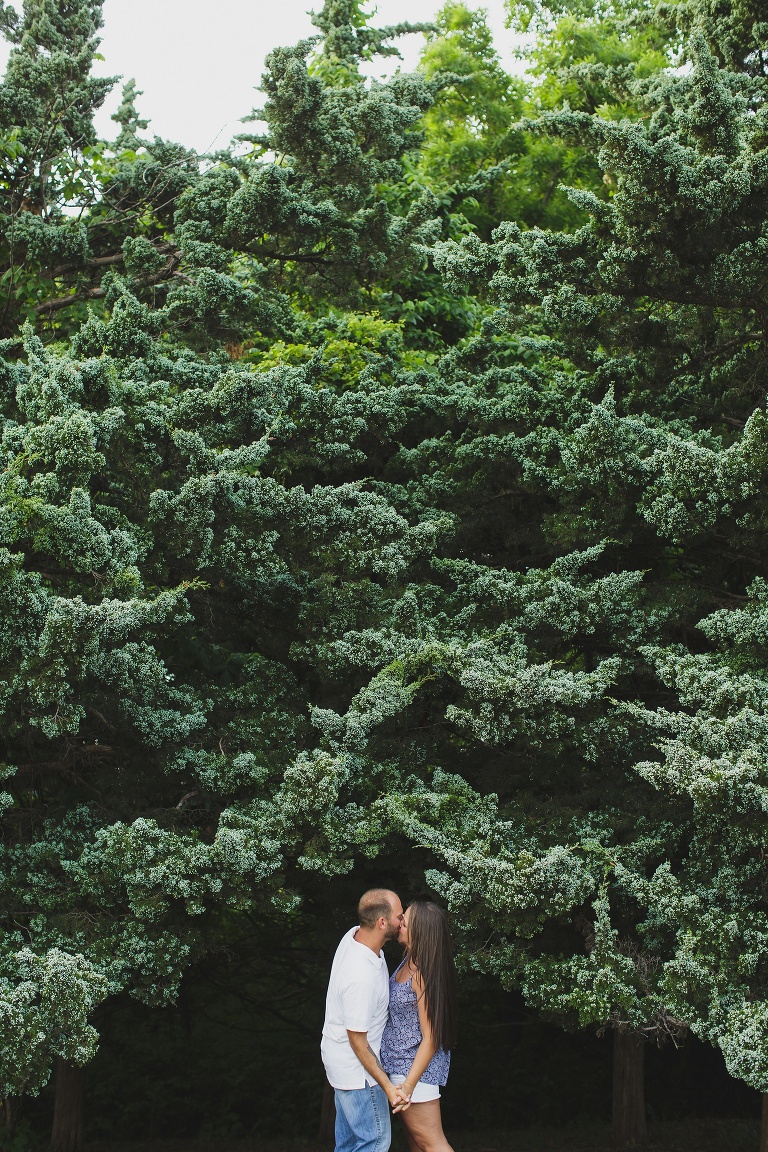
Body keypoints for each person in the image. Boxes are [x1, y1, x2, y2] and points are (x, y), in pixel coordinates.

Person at [321, 888, 411, 1152]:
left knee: (349, 1144)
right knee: (375, 1141)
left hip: (339, 1062)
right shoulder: (360, 977)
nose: (403, 920)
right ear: (382, 923)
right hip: (358, 1073)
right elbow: (357, 1041)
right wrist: (388, 1087)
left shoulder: (354, 936)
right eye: (399, 916)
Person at [380, 900, 458, 1152]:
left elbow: (431, 1037)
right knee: (417, 1144)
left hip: (414, 1072)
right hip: (402, 1067)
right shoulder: (409, 961)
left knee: (432, 1144)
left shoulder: (422, 972)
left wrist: (409, 1085)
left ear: (420, 929)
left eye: (405, 920)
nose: (399, 923)